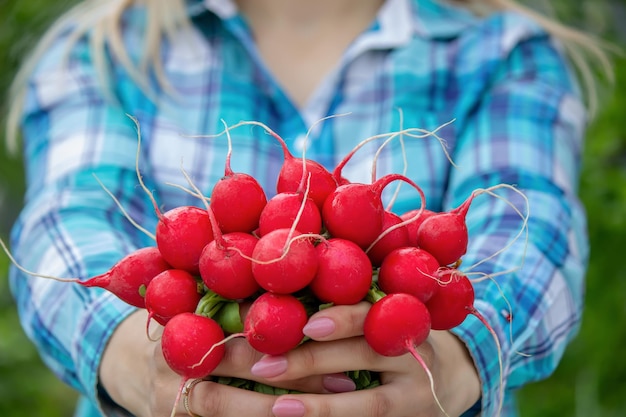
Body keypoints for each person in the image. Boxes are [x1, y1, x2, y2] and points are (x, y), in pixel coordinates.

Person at [4, 0, 613, 416]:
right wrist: (131, 360)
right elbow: (67, 218)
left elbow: (532, 235)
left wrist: (454, 363)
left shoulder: (504, 52)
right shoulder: (105, 49)